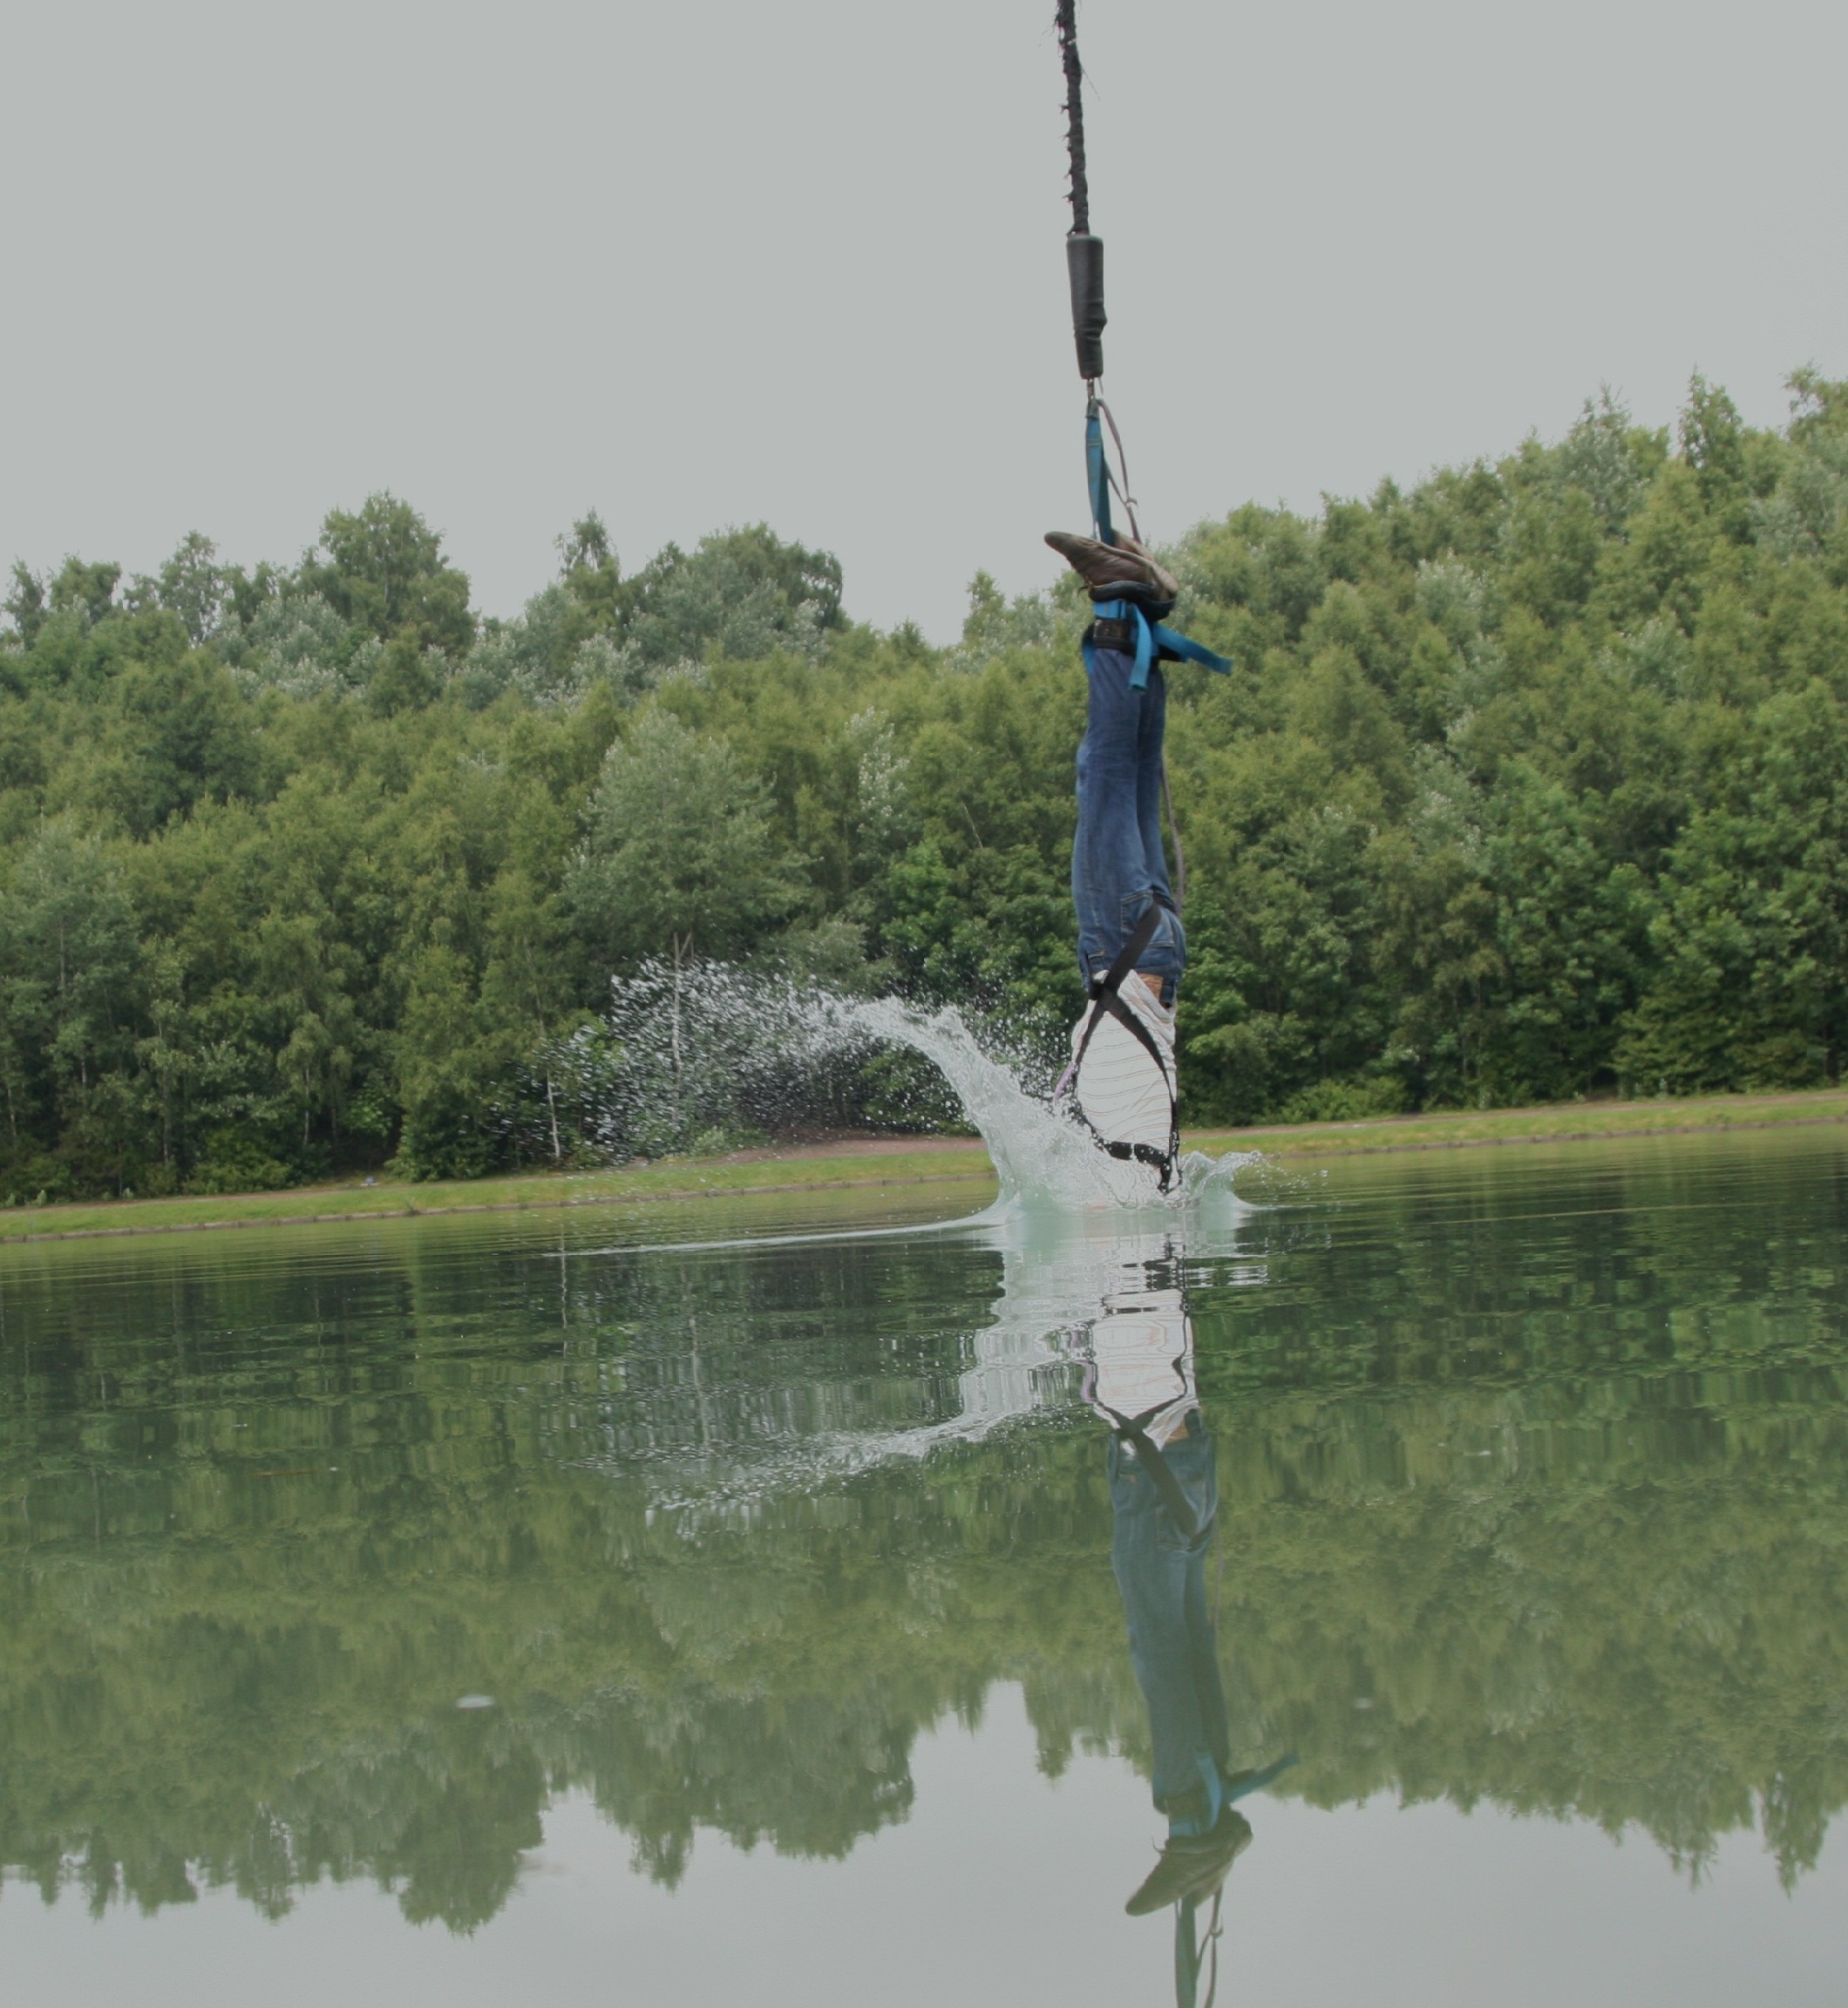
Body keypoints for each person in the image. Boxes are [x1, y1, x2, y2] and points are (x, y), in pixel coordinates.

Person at [1047, 528, 1188, 1191]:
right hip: (1124, 950)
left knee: (1130, 774)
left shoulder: (1153, 1184)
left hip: (1155, 947)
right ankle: (1114, 598)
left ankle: (1140, 612)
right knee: (1103, 775)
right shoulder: (1123, 1209)